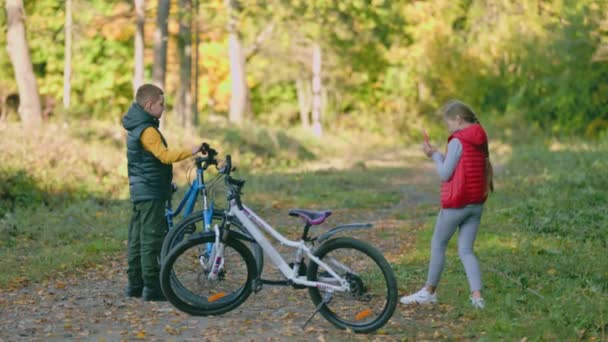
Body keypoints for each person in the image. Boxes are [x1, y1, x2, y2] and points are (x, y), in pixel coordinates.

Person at [400, 99, 493, 309]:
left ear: (458, 119)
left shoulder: (457, 140)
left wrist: (433, 159)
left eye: (448, 123)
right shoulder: (479, 136)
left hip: (456, 204)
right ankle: (477, 298)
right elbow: (460, 163)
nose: (448, 128)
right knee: (466, 250)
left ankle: (429, 292)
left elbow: (445, 172)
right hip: (476, 204)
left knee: (438, 244)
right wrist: (436, 154)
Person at [122, 84, 205, 301]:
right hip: (150, 192)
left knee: (137, 238)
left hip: (141, 190)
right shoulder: (148, 131)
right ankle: (152, 287)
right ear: (149, 105)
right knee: (151, 239)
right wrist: (192, 150)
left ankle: (135, 285)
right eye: (161, 104)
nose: (163, 108)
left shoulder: (137, 126)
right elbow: (165, 156)